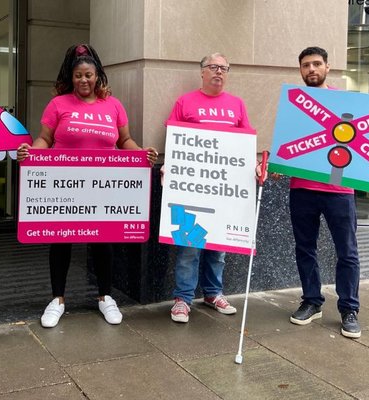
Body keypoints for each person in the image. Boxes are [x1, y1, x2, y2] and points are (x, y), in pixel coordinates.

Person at [17, 44, 158, 328]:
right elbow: (45, 139)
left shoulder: (113, 105)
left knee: (103, 241)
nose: (84, 80)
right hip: (63, 187)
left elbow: (124, 141)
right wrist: (31, 152)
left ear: (98, 76)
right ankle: (57, 299)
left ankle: (105, 297)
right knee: (61, 241)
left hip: (103, 188)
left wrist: (143, 154)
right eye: (79, 75)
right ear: (72, 77)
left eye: (89, 75)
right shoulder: (58, 104)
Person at [167, 53, 253, 323]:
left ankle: (213, 293)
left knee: (219, 247)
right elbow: (174, 138)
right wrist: (168, 168)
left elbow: (246, 143)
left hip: (224, 191)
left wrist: (255, 167)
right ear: (202, 72)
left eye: (224, 68)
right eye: (213, 67)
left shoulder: (237, 104)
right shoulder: (185, 102)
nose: (219, 72)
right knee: (188, 247)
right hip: (191, 187)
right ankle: (182, 299)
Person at [287, 46, 361, 339]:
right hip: (302, 188)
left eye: (317, 64)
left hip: (339, 190)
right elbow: (288, 145)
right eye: (306, 65)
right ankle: (312, 300)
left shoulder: (346, 103)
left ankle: (349, 309)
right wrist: (280, 162)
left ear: (328, 67)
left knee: (348, 252)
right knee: (305, 248)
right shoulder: (295, 105)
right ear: (301, 70)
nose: (312, 69)